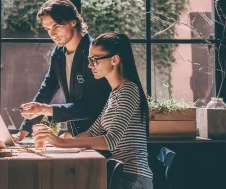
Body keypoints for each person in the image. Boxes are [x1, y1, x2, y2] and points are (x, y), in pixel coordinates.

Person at [33, 33, 154, 189]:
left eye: (95, 60)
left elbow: (110, 141)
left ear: (115, 59)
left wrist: (62, 142)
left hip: (132, 178)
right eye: (90, 60)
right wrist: (69, 141)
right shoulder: (115, 93)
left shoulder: (128, 90)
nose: (90, 65)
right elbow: (92, 132)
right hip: (119, 174)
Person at [12, 0, 111, 144]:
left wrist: (44, 109)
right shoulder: (58, 53)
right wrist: (22, 133)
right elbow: (47, 90)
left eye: (56, 26)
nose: (52, 34)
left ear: (73, 22)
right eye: (47, 29)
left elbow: (90, 106)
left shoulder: (94, 55)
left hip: (100, 138)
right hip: (75, 137)